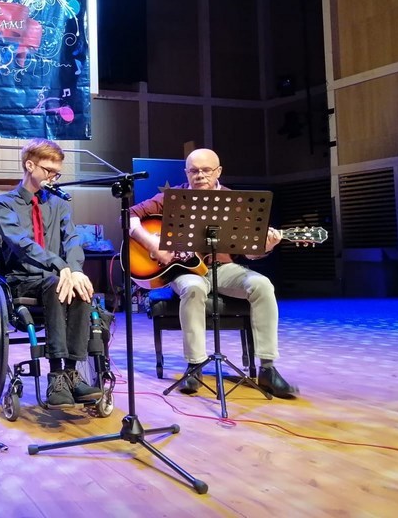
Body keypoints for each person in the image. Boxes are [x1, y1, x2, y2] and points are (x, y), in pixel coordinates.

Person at [128, 148, 298, 399]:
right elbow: (130, 216)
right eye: (194, 171)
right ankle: (195, 365)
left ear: (218, 171)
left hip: (224, 268)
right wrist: (152, 244)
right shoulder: (172, 197)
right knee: (193, 288)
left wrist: (266, 246)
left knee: (262, 285)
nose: (200, 175)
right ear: (186, 173)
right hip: (186, 271)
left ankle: (267, 368)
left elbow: (250, 253)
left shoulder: (234, 202)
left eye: (206, 170)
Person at [0, 139, 102, 409]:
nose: (53, 177)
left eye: (57, 173)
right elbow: (21, 243)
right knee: (57, 283)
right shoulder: (3, 203)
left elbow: (72, 240)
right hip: (24, 280)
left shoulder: (59, 204)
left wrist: (75, 271)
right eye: (49, 171)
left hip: (57, 277)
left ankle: (72, 373)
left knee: (81, 286)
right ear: (30, 165)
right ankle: (56, 375)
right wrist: (60, 266)